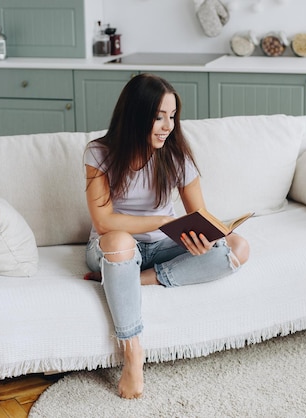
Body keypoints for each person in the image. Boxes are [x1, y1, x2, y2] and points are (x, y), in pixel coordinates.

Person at [83, 73, 250, 399]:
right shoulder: (98, 152)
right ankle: (133, 355)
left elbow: (198, 216)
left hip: (160, 247)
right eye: (159, 117)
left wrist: (210, 237)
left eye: (172, 117)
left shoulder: (176, 156)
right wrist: (161, 221)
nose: (167, 125)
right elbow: (104, 222)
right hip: (111, 248)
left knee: (238, 248)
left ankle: (137, 278)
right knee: (120, 242)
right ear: (136, 114)